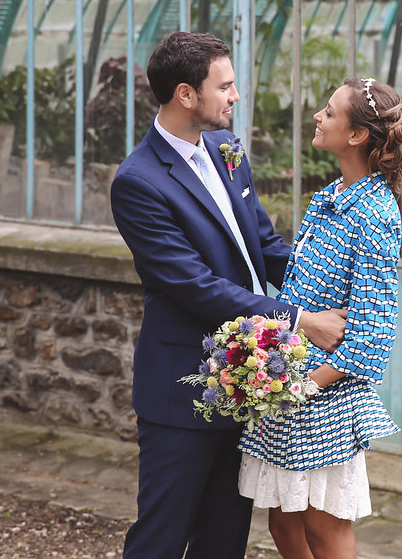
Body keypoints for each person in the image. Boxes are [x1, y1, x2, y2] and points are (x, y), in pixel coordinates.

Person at [110, 31, 348, 559]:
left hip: (246, 384)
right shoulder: (138, 182)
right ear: (185, 95)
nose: (235, 97)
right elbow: (195, 286)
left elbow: (262, 244)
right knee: (162, 537)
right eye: (226, 86)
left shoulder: (227, 149)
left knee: (224, 540)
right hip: (182, 389)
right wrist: (301, 319)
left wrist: (341, 282)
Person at [237, 77, 402, 558]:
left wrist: (304, 386)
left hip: (325, 401)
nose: (318, 116)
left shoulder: (376, 213)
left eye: (330, 112)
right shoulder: (333, 195)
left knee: (325, 532)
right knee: (283, 524)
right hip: (290, 391)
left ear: (358, 135)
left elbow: (372, 334)